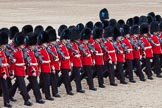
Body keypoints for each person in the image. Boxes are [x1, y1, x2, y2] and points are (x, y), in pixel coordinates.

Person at [9, 32, 33, 106]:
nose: (24, 45)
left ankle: (9, 95)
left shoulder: (22, 51)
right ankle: (26, 100)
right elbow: (13, 63)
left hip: (22, 69)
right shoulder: (15, 52)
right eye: (22, 44)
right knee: (22, 85)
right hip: (17, 70)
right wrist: (12, 72)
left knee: (16, 84)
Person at [24, 32, 45, 104]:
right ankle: (38, 98)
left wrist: (38, 68)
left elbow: (38, 61)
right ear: (30, 46)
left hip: (35, 69)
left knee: (33, 84)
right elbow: (29, 63)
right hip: (31, 70)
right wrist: (33, 70)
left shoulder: (33, 51)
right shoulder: (27, 52)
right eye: (33, 45)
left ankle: (24, 92)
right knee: (35, 85)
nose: (35, 46)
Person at [37, 31, 54, 100]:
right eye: (45, 43)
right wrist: (39, 68)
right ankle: (48, 96)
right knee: (47, 82)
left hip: (48, 67)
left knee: (46, 82)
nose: (47, 44)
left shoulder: (46, 49)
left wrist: (51, 66)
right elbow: (39, 61)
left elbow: (50, 58)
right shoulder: (39, 50)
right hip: (44, 67)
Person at [68, 27, 85, 93]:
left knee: (73, 75)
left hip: (77, 61)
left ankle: (64, 81)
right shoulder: (71, 45)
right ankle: (79, 88)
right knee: (77, 76)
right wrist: (71, 63)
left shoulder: (76, 44)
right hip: (74, 62)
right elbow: (70, 54)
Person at [47, 29, 61, 97]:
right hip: (52, 66)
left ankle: (55, 92)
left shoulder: (54, 47)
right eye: (54, 40)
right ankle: (54, 93)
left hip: (56, 65)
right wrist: (52, 66)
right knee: (53, 80)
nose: (55, 42)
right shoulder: (49, 48)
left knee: (54, 80)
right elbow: (50, 58)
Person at [0, 30, 12, 107]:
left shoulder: (3, 51)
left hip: (4, 71)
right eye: (4, 44)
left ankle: (6, 102)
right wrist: (3, 73)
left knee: (5, 87)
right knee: (5, 87)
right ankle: (6, 102)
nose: (5, 46)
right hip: (2, 72)